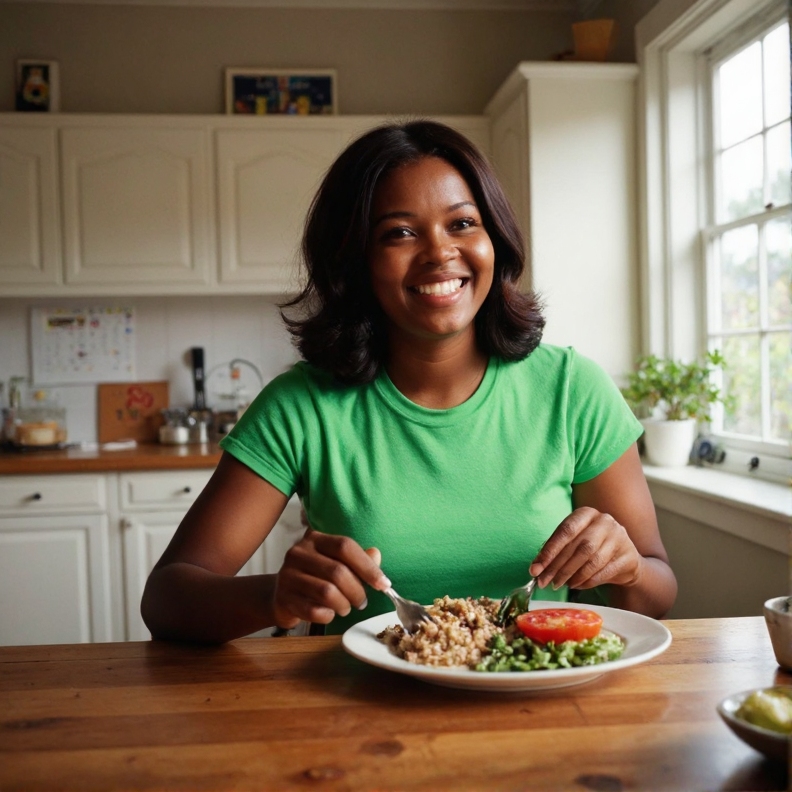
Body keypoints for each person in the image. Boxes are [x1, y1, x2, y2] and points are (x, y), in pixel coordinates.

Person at [141, 120, 677, 643]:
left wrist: (627, 567)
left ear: (495, 239)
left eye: (462, 223)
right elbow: (166, 599)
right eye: (399, 233)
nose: (439, 252)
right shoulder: (301, 406)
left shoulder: (572, 389)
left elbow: (657, 593)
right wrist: (273, 596)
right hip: (358, 697)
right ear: (355, 261)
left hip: (537, 693)